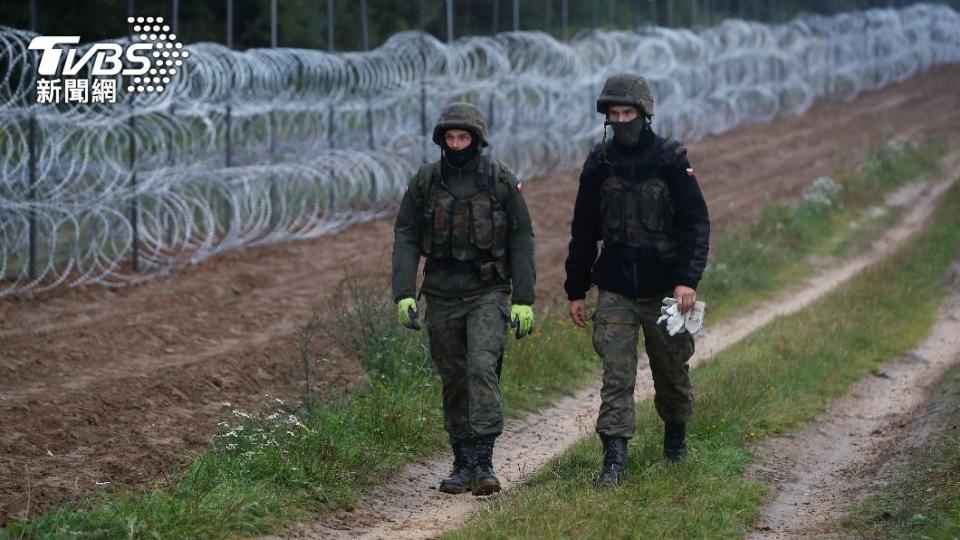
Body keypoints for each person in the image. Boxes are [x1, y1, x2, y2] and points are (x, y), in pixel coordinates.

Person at [563, 73, 710, 487]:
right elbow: (583, 228)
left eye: (629, 112)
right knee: (616, 374)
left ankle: (675, 442)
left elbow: (695, 223)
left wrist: (686, 280)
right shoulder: (599, 162)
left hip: (666, 287)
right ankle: (614, 459)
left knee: (670, 370)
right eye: (615, 113)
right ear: (607, 118)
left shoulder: (670, 158)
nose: (622, 119)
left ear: (644, 114)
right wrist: (576, 289)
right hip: (616, 287)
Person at [392, 102, 536, 496]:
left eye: (463, 137)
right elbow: (405, 236)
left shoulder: (500, 181)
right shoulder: (425, 182)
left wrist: (523, 298)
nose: (456, 145)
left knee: (481, 366)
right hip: (440, 294)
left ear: (477, 140)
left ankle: (484, 460)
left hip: (487, 291)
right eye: (450, 138)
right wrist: (403, 292)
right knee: (454, 377)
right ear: (442, 141)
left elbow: (521, 238)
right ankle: (461, 461)